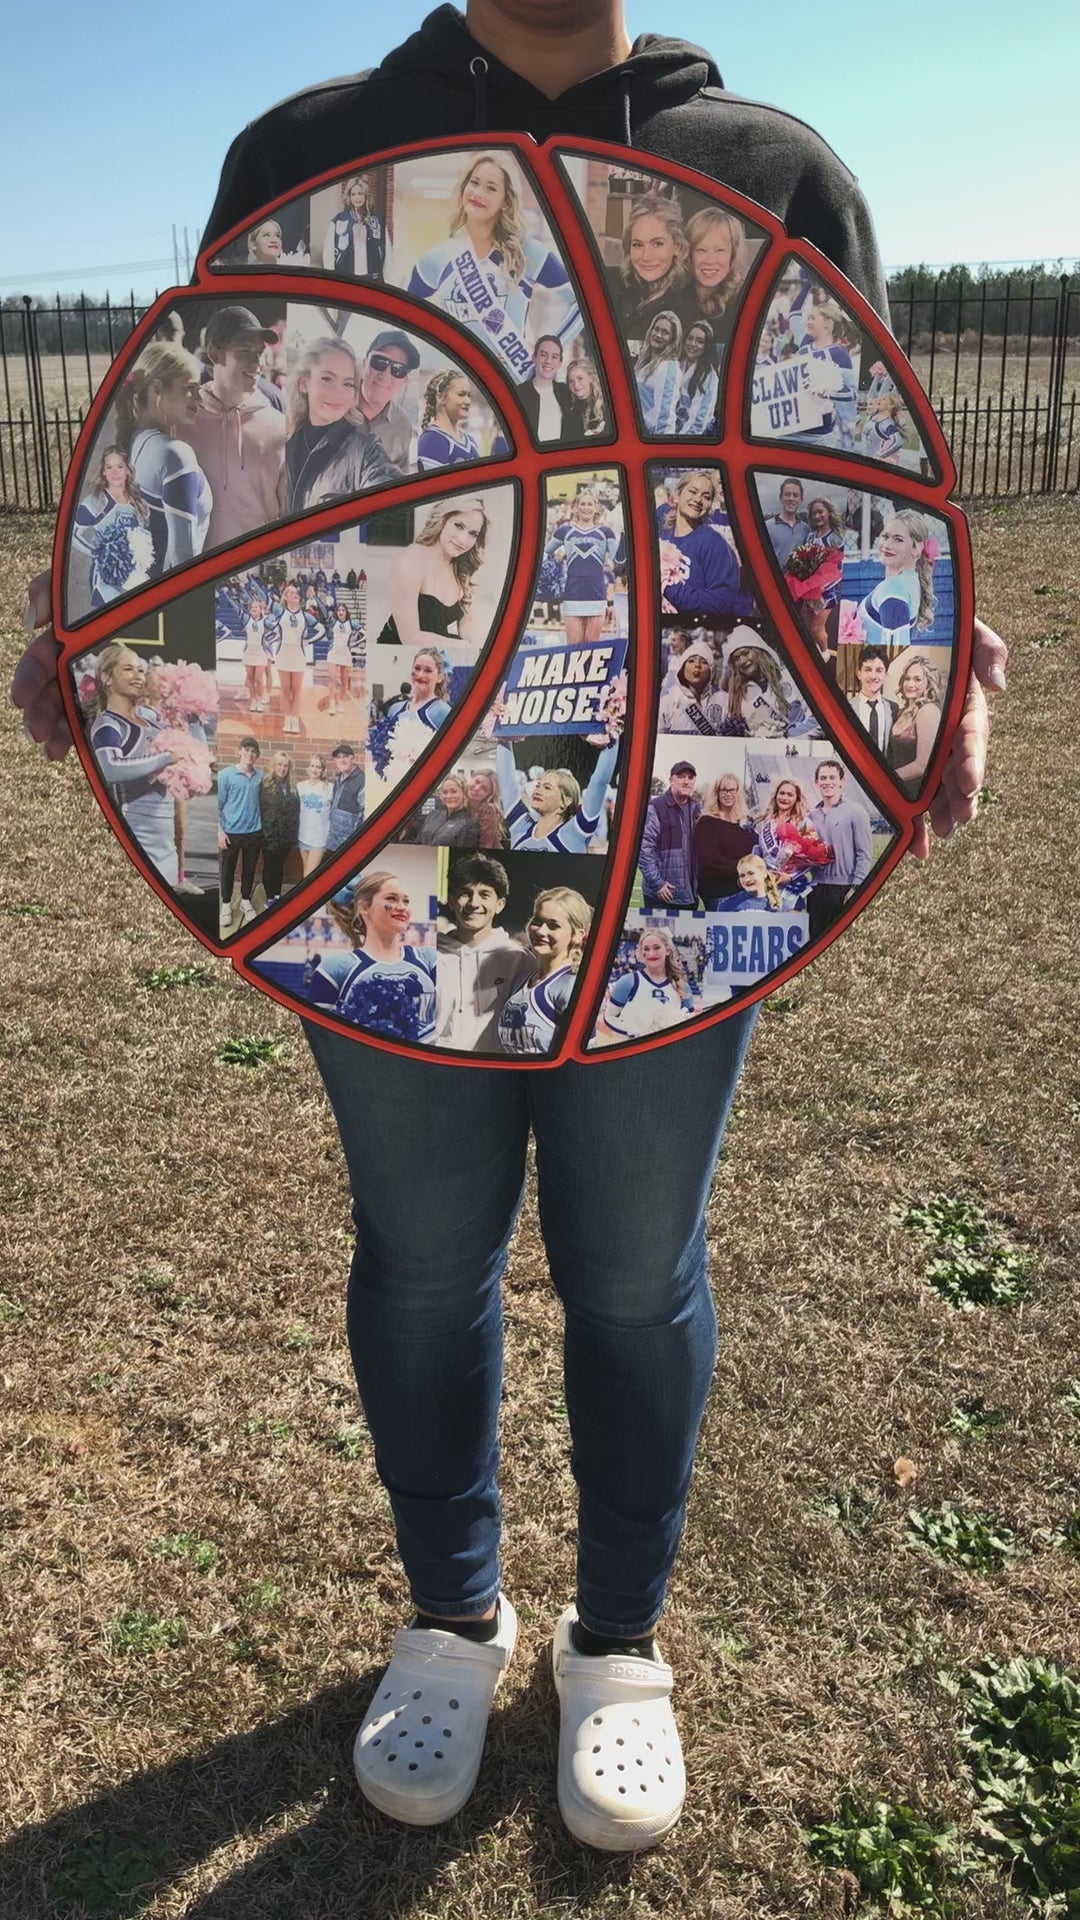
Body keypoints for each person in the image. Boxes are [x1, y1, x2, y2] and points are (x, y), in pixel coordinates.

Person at [14, 0, 1007, 1861]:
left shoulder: (775, 177)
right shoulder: (305, 157)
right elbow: (229, 499)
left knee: (637, 1273)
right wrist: (123, 640)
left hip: (683, 853)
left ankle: (620, 1647)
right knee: (421, 1254)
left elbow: (857, 503)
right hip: (368, 842)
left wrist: (926, 676)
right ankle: (450, 1619)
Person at [407, 151, 579, 384]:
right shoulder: (435, 259)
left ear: (506, 200)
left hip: (510, 385)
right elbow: (408, 321)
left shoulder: (527, 253)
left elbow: (582, 304)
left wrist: (548, 352)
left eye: (491, 188)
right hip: (455, 383)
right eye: (474, 182)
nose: (478, 193)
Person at [177, 305, 286, 550]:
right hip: (194, 579)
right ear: (215, 354)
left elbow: (291, 521)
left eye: (259, 352)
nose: (257, 363)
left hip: (255, 580)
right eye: (245, 351)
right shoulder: (182, 424)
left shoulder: (280, 429)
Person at [114, 343, 212, 577]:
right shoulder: (176, 455)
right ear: (157, 388)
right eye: (190, 388)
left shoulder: (135, 441)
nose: (200, 398)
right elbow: (183, 560)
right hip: (168, 603)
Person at [87, 644, 180, 884]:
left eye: (141, 670)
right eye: (128, 669)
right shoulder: (108, 725)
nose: (138, 676)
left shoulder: (152, 720)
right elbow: (111, 770)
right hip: (135, 848)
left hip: (166, 850)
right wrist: (166, 758)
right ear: (106, 677)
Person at [284, 336, 402, 513]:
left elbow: (390, 494)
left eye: (348, 384)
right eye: (327, 379)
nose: (338, 392)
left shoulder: (365, 451)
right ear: (303, 384)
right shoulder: (286, 439)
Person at [320, 871, 438, 1044]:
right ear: (364, 907)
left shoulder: (429, 959)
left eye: (406, 901)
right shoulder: (335, 968)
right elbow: (322, 1040)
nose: (402, 906)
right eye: (391, 899)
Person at [435, 853, 535, 1050]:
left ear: (500, 904)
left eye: (484, 894)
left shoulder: (518, 960)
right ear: (452, 900)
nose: (474, 903)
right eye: (465, 893)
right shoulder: (431, 954)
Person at [496, 702, 622, 854]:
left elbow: (599, 781)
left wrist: (612, 728)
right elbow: (507, 780)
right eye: (539, 785)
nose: (538, 789)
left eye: (547, 787)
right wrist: (503, 730)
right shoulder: (520, 827)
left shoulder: (575, 833)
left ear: (566, 801)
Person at [374, 495, 489, 650]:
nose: (463, 540)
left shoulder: (464, 567)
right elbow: (410, 637)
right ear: (442, 520)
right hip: (396, 657)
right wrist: (464, 647)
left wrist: (476, 651)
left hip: (435, 658)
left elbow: (468, 624)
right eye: (459, 526)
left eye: (473, 534)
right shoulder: (410, 560)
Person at [497, 887, 593, 1055]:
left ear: (577, 935)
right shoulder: (521, 981)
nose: (541, 931)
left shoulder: (571, 986)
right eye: (537, 921)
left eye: (553, 925)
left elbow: (583, 1057)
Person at [658, 469, 754, 625]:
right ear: (677, 494)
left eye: (706, 497)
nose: (698, 500)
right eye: (693, 491)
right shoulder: (664, 536)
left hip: (695, 631)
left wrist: (668, 588)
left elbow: (719, 603)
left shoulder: (714, 542)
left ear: (710, 505)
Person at [71, 445, 154, 610]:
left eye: (120, 467)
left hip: (134, 578)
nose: (115, 472)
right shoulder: (96, 501)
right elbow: (75, 535)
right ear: (103, 471)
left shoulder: (138, 504)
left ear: (128, 470)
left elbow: (144, 541)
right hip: (105, 579)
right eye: (109, 467)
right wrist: (101, 554)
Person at [606, 193, 688, 351]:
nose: (646, 256)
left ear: (676, 247)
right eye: (637, 244)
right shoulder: (607, 282)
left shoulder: (689, 298)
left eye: (657, 244)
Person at [368, 648, 453, 791]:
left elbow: (447, 756)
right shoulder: (395, 708)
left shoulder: (442, 711)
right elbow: (381, 749)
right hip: (390, 786)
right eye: (417, 668)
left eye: (428, 670)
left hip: (423, 789)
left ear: (439, 677)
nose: (420, 674)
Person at [807, 759, 873, 940]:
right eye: (823, 778)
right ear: (816, 782)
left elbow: (864, 854)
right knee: (815, 943)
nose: (827, 782)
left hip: (844, 889)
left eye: (832, 777)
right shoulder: (811, 816)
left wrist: (856, 888)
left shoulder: (856, 812)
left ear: (842, 781)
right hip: (817, 888)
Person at [544, 489, 617, 647]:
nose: (586, 507)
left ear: (596, 508)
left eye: (589, 504)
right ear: (575, 507)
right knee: (574, 650)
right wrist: (553, 573)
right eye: (582, 504)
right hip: (572, 596)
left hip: (596, 595)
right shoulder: (565, 531)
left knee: (592, 649)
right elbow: (544, 554)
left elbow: (619, 558)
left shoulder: (605, 532)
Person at [858, 510, 937, 655]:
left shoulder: (894, 589)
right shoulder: (909, 581)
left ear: (917, 548)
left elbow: (897, 653)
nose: (887, 545)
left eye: (898, 539)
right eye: (885, 536)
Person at [596, 929, 695, 1041]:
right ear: (642, 953)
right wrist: (635, 1034)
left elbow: (690, 1023)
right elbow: (609, 1017)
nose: (651, 953)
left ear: (667, 951)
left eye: (657, 948)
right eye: (646, 949)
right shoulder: (628, 982)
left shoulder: (682, 986)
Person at [753, 776, 831, 908]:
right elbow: (757, 854)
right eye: (782, 793)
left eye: (790, 794)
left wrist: (790, 876)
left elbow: (813, 857)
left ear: (797, 799)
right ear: (776, 795)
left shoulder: (803, 823)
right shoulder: (764, 822)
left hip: (792, 887)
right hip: (766, 884)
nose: (785, 797)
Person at [679, 206, 748, 348]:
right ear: (689, 254)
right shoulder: (675, 296)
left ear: (733, 255)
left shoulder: (746, 299)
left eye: (719, 250)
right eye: (701, 250)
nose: (710, 260)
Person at [218, 736, 264, 932]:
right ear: (239, 751)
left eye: (254, 751)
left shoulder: (260, 776)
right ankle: (226, 905)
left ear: (257, 756)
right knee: (228, 869)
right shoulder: (226, 775)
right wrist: (220, 831)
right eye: (246, 750)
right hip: (231, 832)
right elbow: (217, 806)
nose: (250, 754)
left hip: (254, 831)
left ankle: (245, 900)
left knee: (249, 869)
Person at [639, 760, 700, 909]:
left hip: (690, 895)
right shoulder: (656, 807)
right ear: (671, 779)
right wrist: (657, 884)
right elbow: (644, 850)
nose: (686, 781)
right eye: (681, 776)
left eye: (690, 777)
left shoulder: (696, 809)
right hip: (663, 895)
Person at [356, 329, 420, 467]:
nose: (385, 376)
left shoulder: (402, 427)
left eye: (398, 370)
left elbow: (398, 480)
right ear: (364, 364)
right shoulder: (334, 405)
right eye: (380, 362)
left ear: (404, 381)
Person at [694, 772, 756, 906]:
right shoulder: (707, 822)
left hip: (744, 890)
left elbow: (755, 851)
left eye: (732, 790)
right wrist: (743, 870)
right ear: (717, 793)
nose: (728, 794)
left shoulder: (745, 821)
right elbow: (709, 860)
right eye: (724, 790)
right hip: (718, 892)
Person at [271, 581, 325, 734]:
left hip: (299, 654)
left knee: (297, 691)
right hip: (283, 653)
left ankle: (295, 720)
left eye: (296, 593)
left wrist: (310, 641)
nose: (295, 595)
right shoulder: (279, 611)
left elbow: (321, 630)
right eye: (291, 593)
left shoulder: (305, 615)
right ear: (286, 597)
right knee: (285, 690)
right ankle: (287, 720)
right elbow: (264, 598)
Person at [888, 654, 943, 793]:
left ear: (928, 684)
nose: (910, 684)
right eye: (907, 678)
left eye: (917, 679)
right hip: (895, 787)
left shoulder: (928, 711)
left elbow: (922, 765)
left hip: (913, 791)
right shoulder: (901, 712)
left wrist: (885, 778)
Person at [322, 173, 385, 279]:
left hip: (372, 278)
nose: (357, 197)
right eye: (353, 194)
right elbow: (328, 253)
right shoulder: (339, 220)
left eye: (360, 193)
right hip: (346, 278)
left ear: (366, 195)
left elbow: (387, 254)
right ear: (349, 196)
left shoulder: (377, 221)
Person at [657, 637, 725, 734]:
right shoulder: (667, 702)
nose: (697, 665)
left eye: (704, 662)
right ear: (682, 668)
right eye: (691, 661)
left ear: (712, 672)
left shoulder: (723, 700)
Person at [259, 750, 301, 906]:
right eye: (280, 765)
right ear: (274, 765)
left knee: (279, 867)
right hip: (270, 836)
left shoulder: (292, 787)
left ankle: (277, 895)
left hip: (286, 837)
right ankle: (269, 898)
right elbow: (262, 810)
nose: (282, 769)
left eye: (285, 766)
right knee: (270, 868)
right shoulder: (265, 785)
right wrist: (267, 834)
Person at [416, 371, 481, 470]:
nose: (468, 401)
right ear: (441, 398)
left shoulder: (470, 441)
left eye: (469, 395)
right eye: (461, 394)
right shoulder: (433, 439)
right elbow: (436, 484)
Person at [518, 334, 575, 442]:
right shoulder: (519, 394)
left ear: (560, 363)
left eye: (554, 357)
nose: (548, 361)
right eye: (543, 355)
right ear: (534, 358)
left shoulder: (567, 393)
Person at [634, 310, 684, 433]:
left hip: (652, 437)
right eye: (656, 329)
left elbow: (665, 416)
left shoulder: (669, 368)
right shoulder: (645, 363)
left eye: (665, 332)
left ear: (672, 339)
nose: (658, 334)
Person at [849, 645, 899, 755]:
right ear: (859, 674)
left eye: (879, 670)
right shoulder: (846, 707)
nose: (873, 676)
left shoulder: (894, 708)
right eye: (867, 670)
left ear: (885, 675)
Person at [675, 320, 719, 436]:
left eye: (700, 341)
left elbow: (700, 420)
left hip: (695, 436)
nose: (692, 344)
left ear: (706, 347)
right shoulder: (676, 364)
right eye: (690, 338)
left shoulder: (709, 376)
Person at [414, 772, 481, 848]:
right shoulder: (433, 815)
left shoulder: (469, 825)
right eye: (445, 792)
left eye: (454, 791)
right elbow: (418, 842)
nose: (449, 796)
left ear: (464, 794)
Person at [326, 740, 365, 851]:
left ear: (353, 758)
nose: (342, 760)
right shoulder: (338, 779)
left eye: (346, 756)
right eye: (339, 757)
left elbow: (364, 813)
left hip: (349, 843)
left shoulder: (361, 780)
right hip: (333, 841)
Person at [297, 751, 333, 874]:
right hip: (303, 836)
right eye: (312, 766)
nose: (314, 769)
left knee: (309, 875)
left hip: (319, 839)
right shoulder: (300, 787)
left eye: (318, 767)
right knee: (305, 870)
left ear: (323, 770)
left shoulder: (329, 788)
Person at [764, 477, 809, 568]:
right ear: (781, 497)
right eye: (787, 494)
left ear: (801, 499)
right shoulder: (767, 527)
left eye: (795, 495)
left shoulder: (806, 529)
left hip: (799, 581)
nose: (791, 498)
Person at [324, 601, 359, 716]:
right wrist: (314, 596)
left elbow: (363, 633)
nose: (341, 612)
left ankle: (341, 702)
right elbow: (323, 611)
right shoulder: (333, 622)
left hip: (345, 654)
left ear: (346, 612)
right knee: (332, 678)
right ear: (336, 612)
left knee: (344, 681)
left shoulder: (352, 624)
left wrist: (355, 644)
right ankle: (332, 703)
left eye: (343, 610)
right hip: (333, 653)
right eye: (339, 610)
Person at [563, 356, 606, 439]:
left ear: (590, 378)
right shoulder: (570, 415)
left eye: (580, 378)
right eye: (571, 381)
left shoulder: (607, 406)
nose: (576, 385)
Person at [466, 767, 507, 848]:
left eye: (484, 789)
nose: (477, 788)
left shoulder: (488, 810)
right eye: (477, 782)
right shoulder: (459, 800)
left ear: (489, 795)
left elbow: (486, 845)